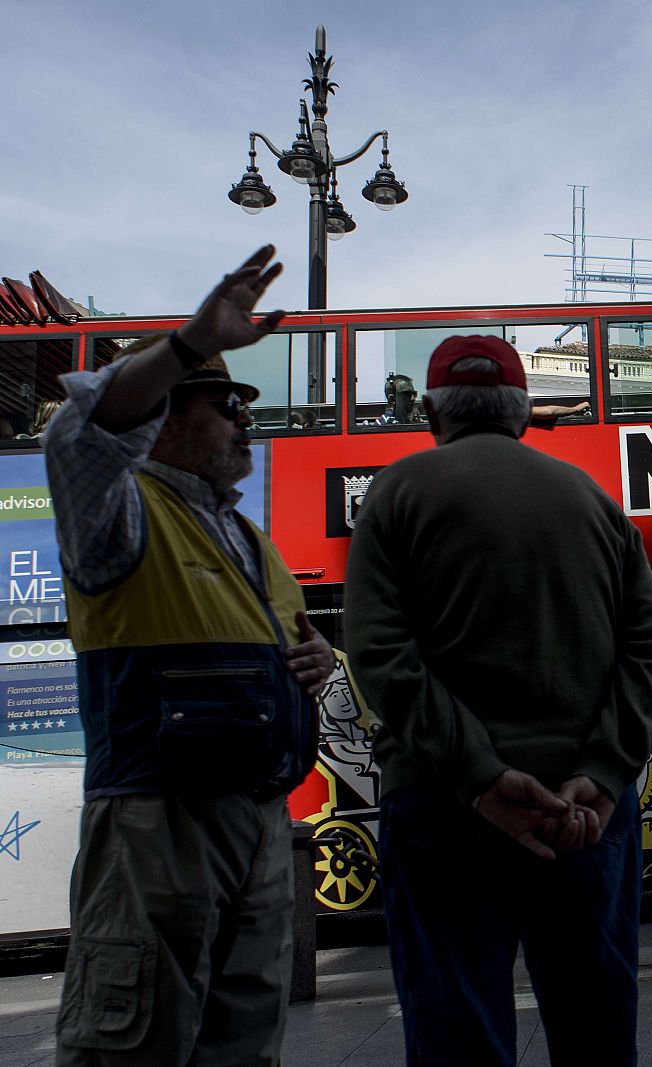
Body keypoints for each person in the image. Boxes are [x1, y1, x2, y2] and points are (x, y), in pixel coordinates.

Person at [344, 334, 652, 1064]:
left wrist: (481, 776)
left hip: (443, 810)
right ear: (523, 410)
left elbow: (378, 654)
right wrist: (603, 766)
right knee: (595, 1029)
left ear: (432, 410)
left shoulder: (396, 494)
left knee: (456, 1031)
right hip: (581, 812)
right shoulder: (594, 499)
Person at [43, 246, 336, 1065]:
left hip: (259, 821)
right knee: (132, 1045)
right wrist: (184, 345)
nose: (246, 418)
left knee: (245, 1042)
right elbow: (79, 432)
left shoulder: (251, 537)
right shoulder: (120, 510)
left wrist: (317, 668)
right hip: (156, 823)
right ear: (162, 416)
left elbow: (296, 653)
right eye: (222, 402)